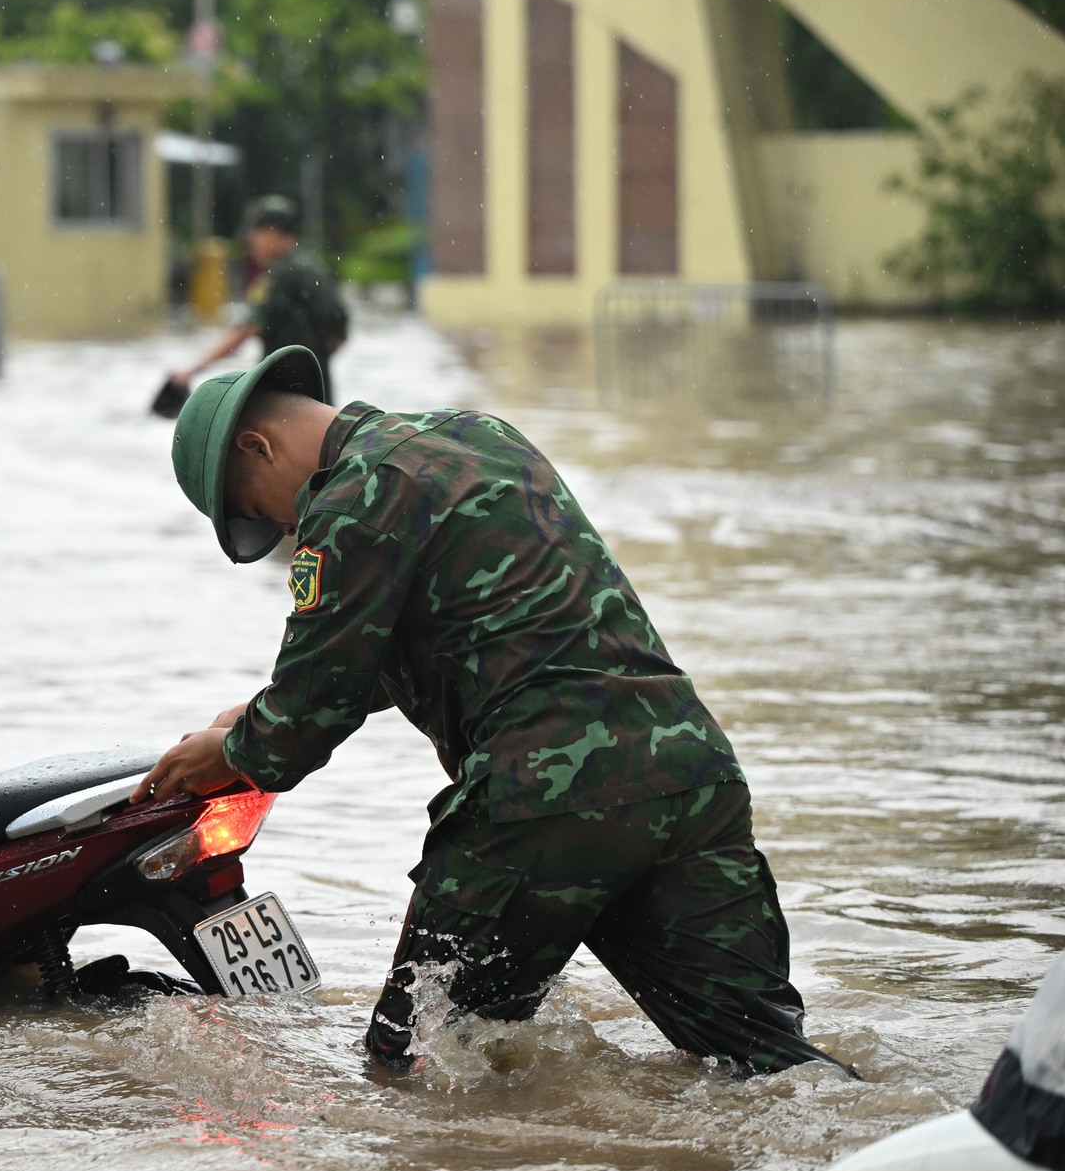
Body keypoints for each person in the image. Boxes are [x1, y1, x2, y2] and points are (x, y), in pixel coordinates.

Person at [135, 346, 848, 1076]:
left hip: (545, 798)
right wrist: (254, 714)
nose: (286, 531)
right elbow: (481, 635)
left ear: (258, 447)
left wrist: (222, 751)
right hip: (691, 772)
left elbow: (297, 732)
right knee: (771, 1069)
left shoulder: (349, 501)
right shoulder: (482, 436)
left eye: (262, 510)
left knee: (412, 1066)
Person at [172, 195, 349, 399]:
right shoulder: (314, 269)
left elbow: (246, 329)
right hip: (320, 396)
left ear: (271, 233)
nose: (250, 244)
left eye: (254, 234)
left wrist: (192, 370)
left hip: (285, 398)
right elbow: (338, 332)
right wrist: (308, 362)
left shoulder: (278, 276)